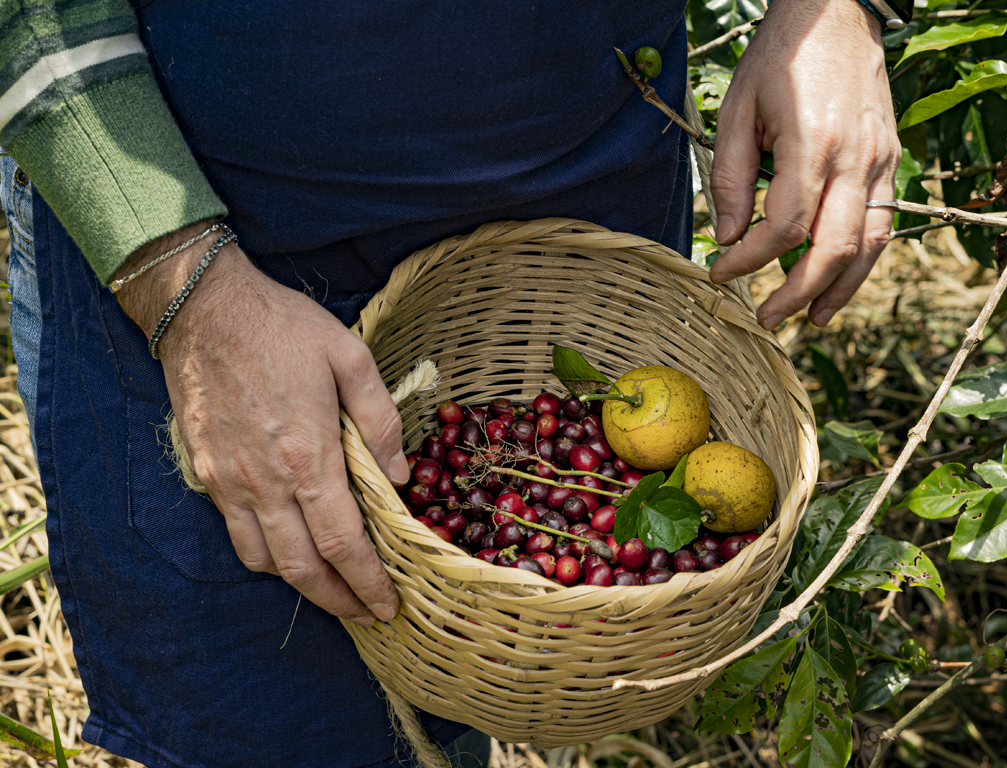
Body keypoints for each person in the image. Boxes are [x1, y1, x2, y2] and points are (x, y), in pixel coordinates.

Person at [0, 0, 899, 766]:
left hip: (578, 192)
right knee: (278, 727)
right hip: (220, 236)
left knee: (472, 688)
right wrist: (188, 289)